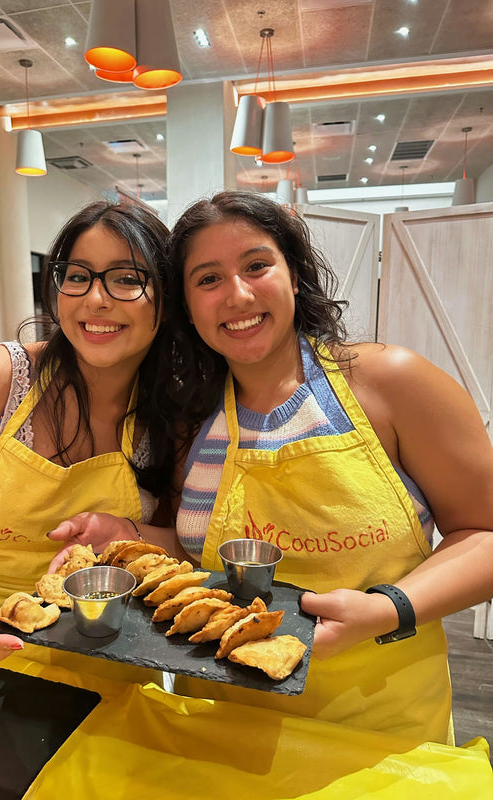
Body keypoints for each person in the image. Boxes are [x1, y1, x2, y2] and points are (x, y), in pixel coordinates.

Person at [161, 189, 493, 747]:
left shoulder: (393, 384)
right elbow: (190, 551)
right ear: (188, 307)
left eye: (257, 265)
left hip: (379, 728)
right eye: (208, 279)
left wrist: (389, 609)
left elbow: (484, 532)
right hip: (224, 726)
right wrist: (125, 535)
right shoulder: (188, 418)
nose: (237, 295)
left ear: (295, 275)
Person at [0, 200, 182, 671]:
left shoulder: (173, 412)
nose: (95, 299)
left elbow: (187, 543)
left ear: (168, 301)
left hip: (108, 666)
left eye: (127, 278)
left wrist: (130, 534)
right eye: (77, 275)